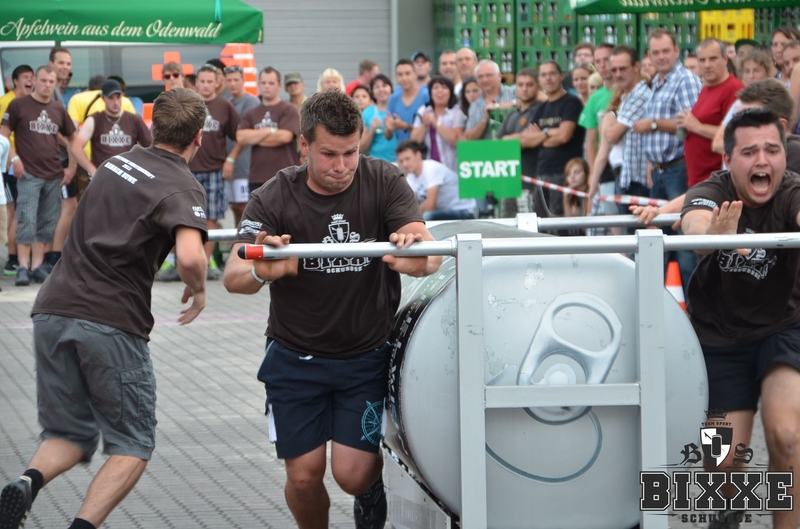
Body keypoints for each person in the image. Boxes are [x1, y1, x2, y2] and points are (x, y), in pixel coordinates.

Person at [223, 90, 441, 529]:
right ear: (304, 145)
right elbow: (233, 275)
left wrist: (412, 257)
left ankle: (370, 488)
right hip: (294, 356)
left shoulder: (383, 179)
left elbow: (430, 254)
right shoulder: (274, 194)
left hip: (365, 356)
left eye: (350, 152)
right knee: (304, 477)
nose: (341, 166)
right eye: (328, 154)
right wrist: (264, 270)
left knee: (351, 474)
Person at [0, 87, 209, 529]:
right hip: (110, 320)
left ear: (152, 127)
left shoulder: (115, 164)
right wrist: (199, 289)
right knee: (133, 441)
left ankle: (25, 482)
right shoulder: (182, 185)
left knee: (69, 433)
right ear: (198, 137)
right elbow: (191, 258)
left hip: (52, 309)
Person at [680, 108, 800, 529]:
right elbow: (694, 224)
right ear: (729, 160)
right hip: (719, 337)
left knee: (787, 437)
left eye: (772, 150)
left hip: (784, 328)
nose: (762, 160)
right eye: (749, 152)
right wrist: (712, 235)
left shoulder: (791, 190)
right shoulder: (713, 189)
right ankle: (726, 518)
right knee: (722, 460)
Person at [632, 28, 702, 292]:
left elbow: (688, 124)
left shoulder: (685, 80)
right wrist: (653, 163)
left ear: (676, 51)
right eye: (655, 52)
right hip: (662, 171)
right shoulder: (658, 82)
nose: (661, 56)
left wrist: (652, 123)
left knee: (684, 245)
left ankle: (694, 309)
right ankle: (656, 307)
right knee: (656, 242)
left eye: (665, 51)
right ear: (649, 55)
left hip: (678, 170)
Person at [1, 66, 77, 286]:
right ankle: (22, 267)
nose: (47, 85)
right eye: (43, 80)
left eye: (51, 82)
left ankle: (37, 267)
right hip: (28, 174)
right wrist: (14, 159)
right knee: (26, 219)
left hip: (54, 174)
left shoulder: (58, 108)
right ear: (34, 80)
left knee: (48, 222)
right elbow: (3, 136)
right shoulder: (18, 105)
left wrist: (71, 168)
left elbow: (74, 139)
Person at [187, 64, 239, 279]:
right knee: (188, 218)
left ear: (217, 83)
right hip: (188, 170)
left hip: (214, 171)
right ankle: (189, 261)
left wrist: (230, 160)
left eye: (210, 81)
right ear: (196, 83)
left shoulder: (225, 106)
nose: (206, 85)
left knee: (211, 218)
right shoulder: (189, 104)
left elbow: (240, 136)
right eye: (203, 81)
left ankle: (205, 264)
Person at [594, 45, 652, 212]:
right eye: (614, 70)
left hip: (637, 180)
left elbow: (612, 136)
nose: (618, 74)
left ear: (636, 67)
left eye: (623, 69)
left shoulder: (640, 95)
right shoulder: (627, 97)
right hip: (627, 177)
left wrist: (607, 126)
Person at [525, 61, 586, 217]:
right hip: (542, 173)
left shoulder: (571, 102)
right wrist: (549, 134)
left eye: (552, 73)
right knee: (541, 222)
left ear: (561, 76)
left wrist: (541, 135)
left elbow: (564, 136)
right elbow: (527, 139)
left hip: (564, 174)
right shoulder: (541, 107)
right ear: (539, 80)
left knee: (559, 223)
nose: (548, 78)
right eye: (544, 75)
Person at [681, 38, 744, 187]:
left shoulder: (734, 89)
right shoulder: (706, 88)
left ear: (725, 59)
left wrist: (697, 127)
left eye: (713, 59)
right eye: (702, 60)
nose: (707, 65)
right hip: (698, 179)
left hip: (716, 181)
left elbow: (736, 135)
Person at [70, 80, 153, 183]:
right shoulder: (94, 120)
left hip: (128, 179)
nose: (115, 102)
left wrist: (142, 169)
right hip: (103, 180)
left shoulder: (133, 119)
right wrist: (92, 170)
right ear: (103, 98)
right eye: (111, 98)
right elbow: (75, 147)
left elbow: (150, 146)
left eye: (118, 97)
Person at [237, 67, 300, 193]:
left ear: (279, 85)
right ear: (259, 84)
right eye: (264, 83)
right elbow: (241, 137)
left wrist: (254, 138)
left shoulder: (289, 110)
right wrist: (269, 131)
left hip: (286, 177)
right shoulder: (252, 113)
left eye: (271, 83)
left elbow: (284, 137)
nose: (267, 86)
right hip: (257, 178)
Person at [0, 64, 34, 277]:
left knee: (21, 212)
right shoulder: (7, 101)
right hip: (11, 166)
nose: (29, 80)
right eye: (25, 77)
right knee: (14, 212)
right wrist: (11, 158)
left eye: (32, 76)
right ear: (14, 81)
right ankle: (12, 259)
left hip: (27, 164)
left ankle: (19, 257)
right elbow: (2, 134)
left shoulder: (29, 102)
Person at [496, 68, 543, 214]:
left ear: (538, 86)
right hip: (509, 182)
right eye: (520, 84)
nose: (524, 88)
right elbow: (496, 144)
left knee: (529, 223)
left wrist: (509, 140)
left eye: (529, 84)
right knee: (507, 224)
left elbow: (526, 140)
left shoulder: (541, 112)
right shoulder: (512, 115)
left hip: (531, 180)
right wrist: (518, 138)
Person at [396, 139, 476, 220]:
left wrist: (415, 210)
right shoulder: (410, 177)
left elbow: (431, 206)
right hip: (443, 211)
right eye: (401, 161)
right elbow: (405, 206)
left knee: (427, 216)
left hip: (464, 210)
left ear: (418, 155)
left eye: (407, 159)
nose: (404, 164)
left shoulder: (431, 168)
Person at [224, 64, 262, 228]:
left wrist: (231, 159)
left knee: (244, 206)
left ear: (243, 80)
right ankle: (238, 238)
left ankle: (247, 238)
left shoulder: (251, 102)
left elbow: (247, 135)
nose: (232, 84)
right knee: (235, 207)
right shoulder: (228, 102)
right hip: (229, 165)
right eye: (229, 80)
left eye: (236, 80)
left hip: (244, 165)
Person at [410, 76, 465, 172]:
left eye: (444, 87)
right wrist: (424, 125)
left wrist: (435, 122)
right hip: (430, 168)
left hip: (452, 167)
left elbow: (456, 140)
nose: (440, 91)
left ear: (450, 92)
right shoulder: (423, 110)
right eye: (435, 88)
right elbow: (414, 140)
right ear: (430, 92)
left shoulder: (457, 112)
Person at [464, 60, 516, 140]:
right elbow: (469, 138)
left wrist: (499, 106)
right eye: (480, 77)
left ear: (499, 76)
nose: (484, 79)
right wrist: (485, 120)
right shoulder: (475, 106)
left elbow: (536, 98)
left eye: (489, 75)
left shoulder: (513, 92)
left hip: (515, 146)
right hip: (488, 147)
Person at [385, 59, 429, 143]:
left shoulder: (426, 96)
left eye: (408, 73)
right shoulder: (393, 99)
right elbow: (388, 136)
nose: (404, 78)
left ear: (415, 74)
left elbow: (430, 127)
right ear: (395, 77)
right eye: (400, 74)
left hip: (422, 149)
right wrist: (389, 126)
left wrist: (405, 126)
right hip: (400, 149)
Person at [360, 74, 396, 162]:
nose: (381, 89)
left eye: (384, 85)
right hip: (376, 162)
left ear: (391, 89)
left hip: (399, 160)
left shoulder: (398, 108)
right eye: (377, 87)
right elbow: (361, 148)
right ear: (372, 92)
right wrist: (372, 131)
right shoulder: (367, 113)